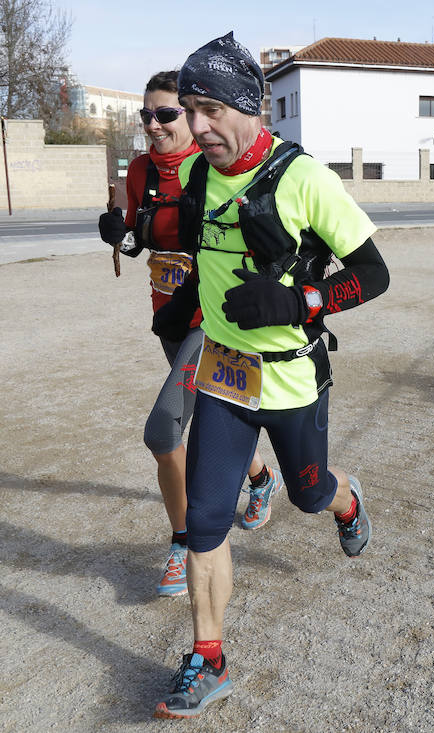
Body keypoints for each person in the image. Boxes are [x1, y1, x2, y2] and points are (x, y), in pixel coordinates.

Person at [151, 33, 389, 719]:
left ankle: (346, 501)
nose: (198, 126)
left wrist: (300, 301)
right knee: (204, 522)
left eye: (211, 110)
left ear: (250, 107)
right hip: (223, 378)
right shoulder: (200, 178)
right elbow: (205, 259)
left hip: (291, 381)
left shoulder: (304, 178)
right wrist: (180, 307)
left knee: (308, 494)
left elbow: (374, 273)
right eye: (189, 110)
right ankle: (209, 657)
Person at [97, 70, 283, 600]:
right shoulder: (140, 171)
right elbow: (142, 238)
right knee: (205, 411)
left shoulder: (211, 167)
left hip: (213, 319)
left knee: (164, 430)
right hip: (170, 318)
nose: (153, 125)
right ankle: (261, 478)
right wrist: (120, 235)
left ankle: (184, 541)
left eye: (166, 114)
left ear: (190, 115)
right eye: (146, 116)